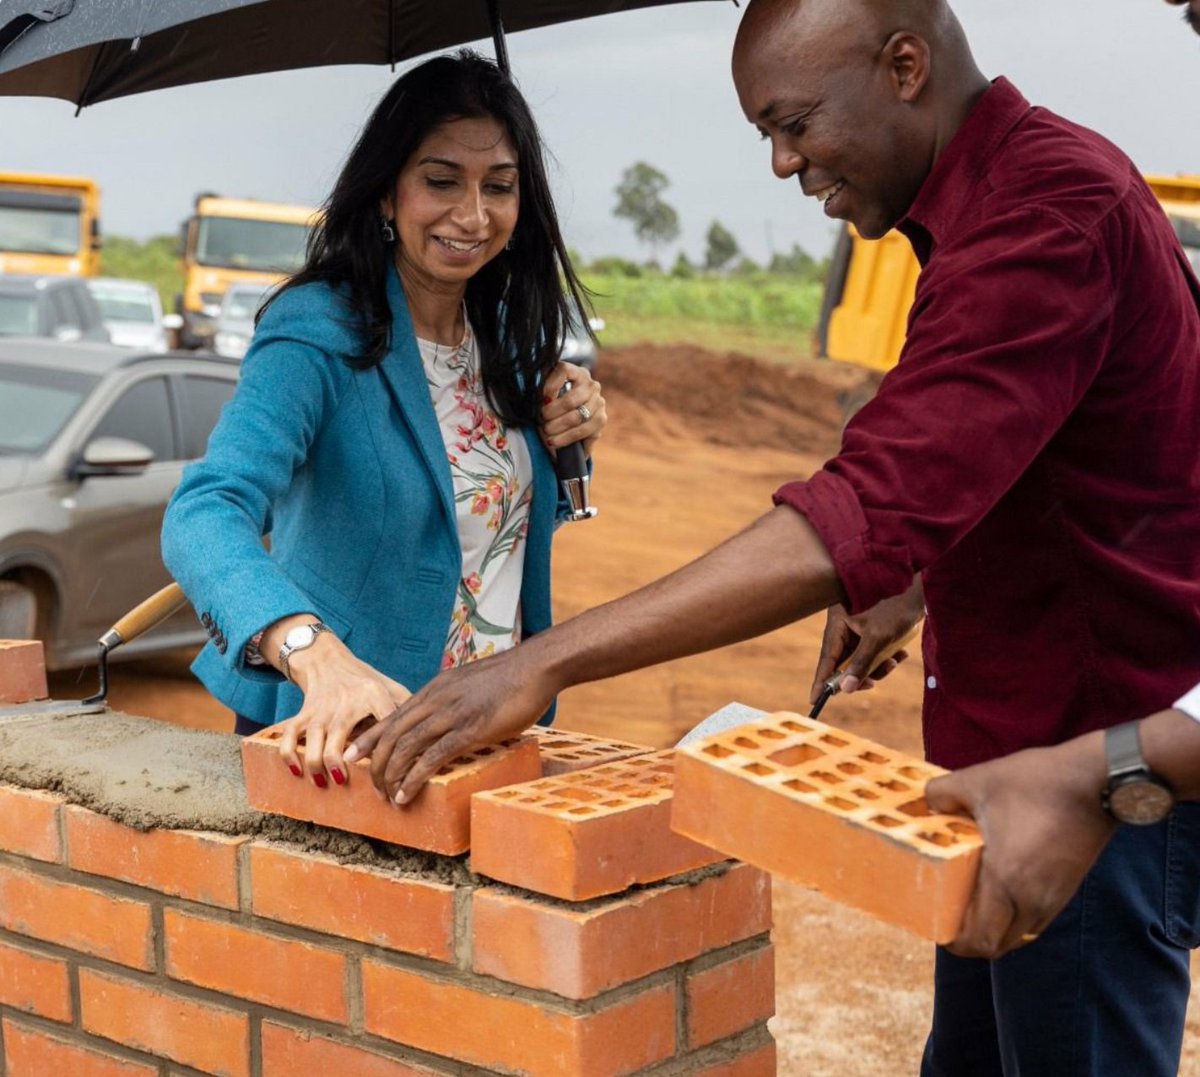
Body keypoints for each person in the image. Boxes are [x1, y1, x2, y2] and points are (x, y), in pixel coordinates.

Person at [345, 2, 1200, 1075]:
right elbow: (1051, 449)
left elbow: (856, 509)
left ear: (902, 66)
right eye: (765, 134)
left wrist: (541, 662)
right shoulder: (997, 209)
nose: (784, 162)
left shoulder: (1048, 214)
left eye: (793, 123)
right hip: (1003, 773)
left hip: (1091, 793)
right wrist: (918, 576)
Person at [161, 49, 606, 786]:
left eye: (499, 186)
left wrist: (573, 435)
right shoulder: (318, 331)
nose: (473, 215)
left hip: (484, 732)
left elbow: (481, 533)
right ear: (384, 194)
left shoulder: (507, 342)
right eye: (440, 181)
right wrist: (316, 654)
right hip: (346, 736)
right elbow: (205, 510)